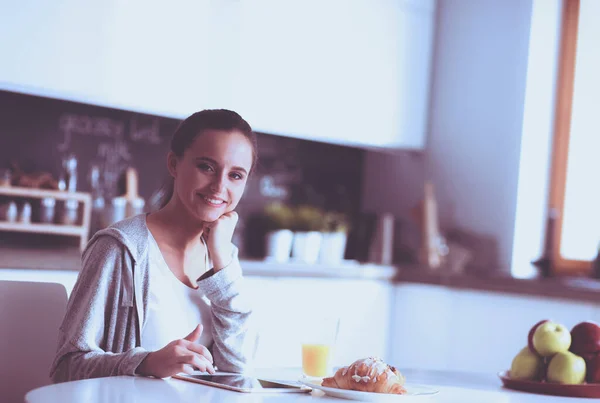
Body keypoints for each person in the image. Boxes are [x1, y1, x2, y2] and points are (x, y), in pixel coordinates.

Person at [50, 109, 258, 383]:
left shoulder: (225, 258)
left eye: (235, 175)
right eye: (206, 167)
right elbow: (66, 369)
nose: (219, 186)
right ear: (174, 164)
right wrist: (146, 362)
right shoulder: (121, 249)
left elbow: (237, 372)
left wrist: (221, 262)